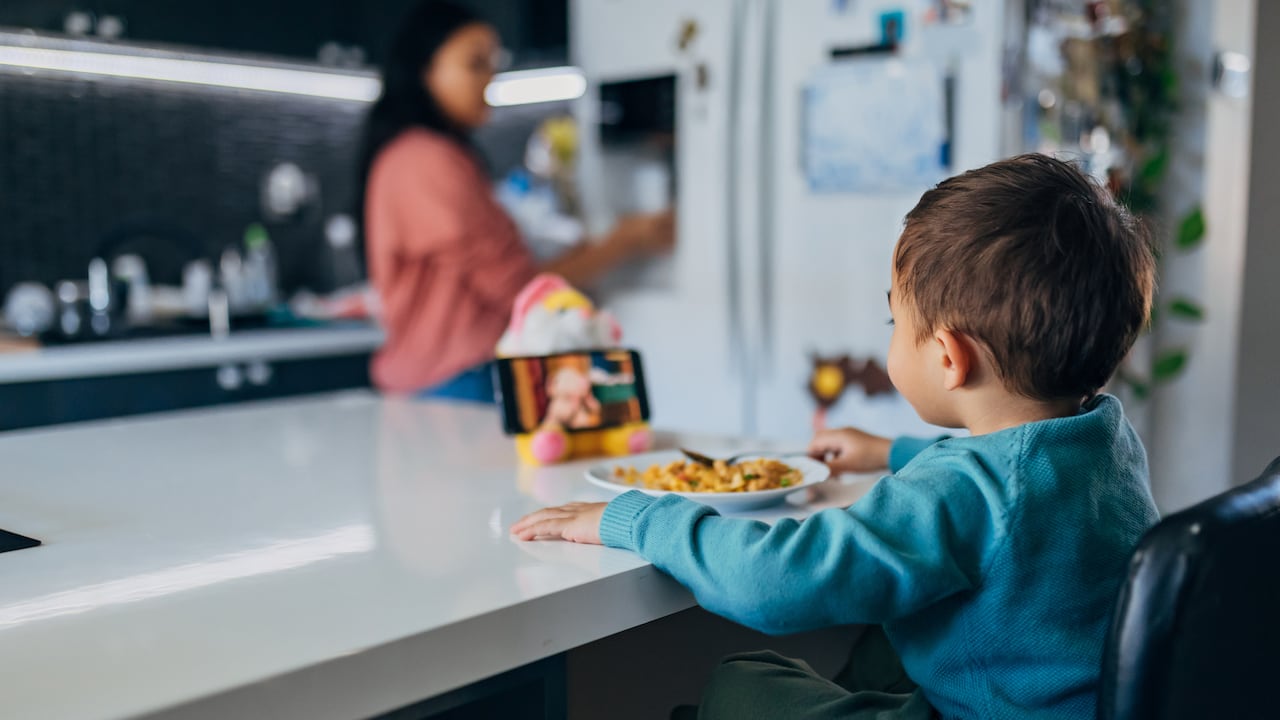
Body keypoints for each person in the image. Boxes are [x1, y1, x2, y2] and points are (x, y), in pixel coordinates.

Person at [512, 154, 1160, 719]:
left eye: (893, 320)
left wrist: (639, 518)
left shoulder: (958, 495)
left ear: (948, 357)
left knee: (743, 683)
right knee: (890, 635)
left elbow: (773, 578)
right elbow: (1012, 486)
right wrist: (889, 452)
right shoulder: (1105, 441)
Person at [359, 1, 673, 401]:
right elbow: (517, 288)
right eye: (475, 64)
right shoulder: (426, 160)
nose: (490, 79)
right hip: (455, 381)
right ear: (425, 71)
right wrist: (624, 241)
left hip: (441, 380)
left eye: (493, 64)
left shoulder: (418, 155)